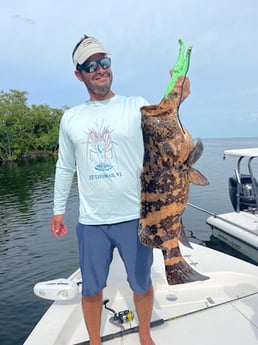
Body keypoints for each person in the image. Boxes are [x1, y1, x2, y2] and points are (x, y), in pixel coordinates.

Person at [51, 35, 190, 345]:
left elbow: (166, 129)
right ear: (79, 74)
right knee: (90, 288)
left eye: (104, 62)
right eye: (91, 65)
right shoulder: (71, 118)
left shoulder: (136, 105)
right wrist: (57, 209)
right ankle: (95, 341)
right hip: (92, 221)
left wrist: (178, 96)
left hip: (137, 216)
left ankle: (144, 334)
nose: (100, 69)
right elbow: (65, 167)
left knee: (140, 283)